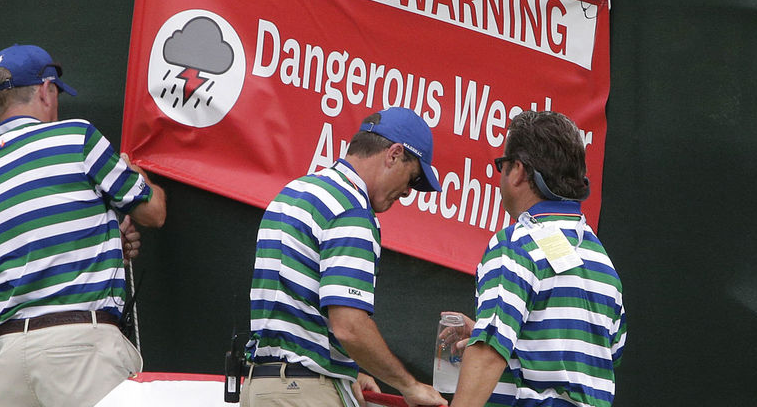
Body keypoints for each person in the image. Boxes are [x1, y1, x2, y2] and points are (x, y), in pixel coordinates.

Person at [0, 44, 167, 407]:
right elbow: (154, 212)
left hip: (4, 360)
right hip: (80, 351)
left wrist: (104, 243)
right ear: (44, 89)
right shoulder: (75, 137)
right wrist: (137, 174)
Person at [244, 107, 448, 407]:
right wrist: (409, 385)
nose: (407, 192)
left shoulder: (293, 192)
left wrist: (342, 371)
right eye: (412, 178)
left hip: (260, 386)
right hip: (303, 393)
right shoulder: (351, 209)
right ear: (393, 154)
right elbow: (349, 325)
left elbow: (298, 316)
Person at [449, 110, 626, 407]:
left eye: (502, 165)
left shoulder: (515, 245)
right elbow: (605, 355)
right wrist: (498, 335)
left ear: (518, 170)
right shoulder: (603, 262)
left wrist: (489, 337)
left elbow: (489, 353)